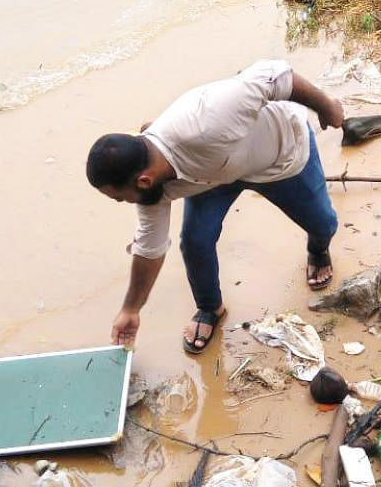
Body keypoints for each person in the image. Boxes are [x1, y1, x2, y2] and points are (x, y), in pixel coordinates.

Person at [85, 58, 344, 354]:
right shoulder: (152, 189)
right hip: (213, 178)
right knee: (195, 242)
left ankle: (317, 249)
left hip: (282, 157)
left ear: (143, 180)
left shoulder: (205, 121)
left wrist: (325, 106)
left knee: (323, 224)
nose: (124, 203)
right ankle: (209, 307)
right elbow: (149, 248)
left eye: (120, 197)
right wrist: (131, 309)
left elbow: (276, 76)